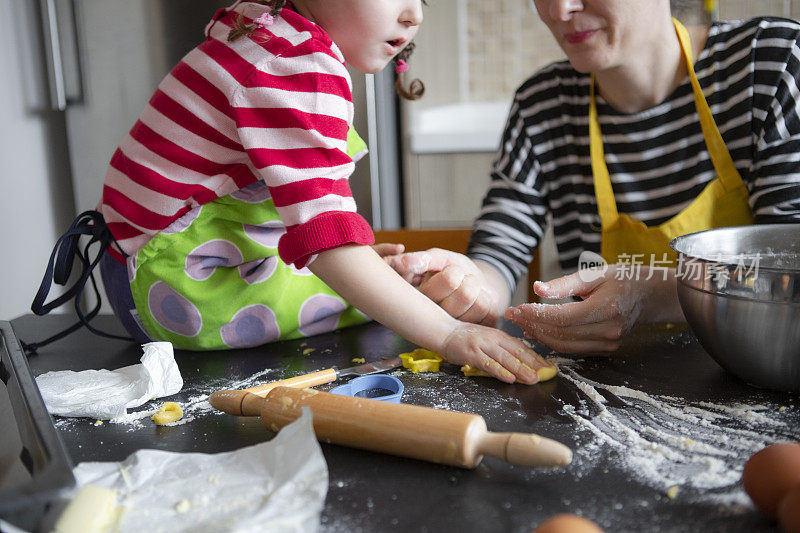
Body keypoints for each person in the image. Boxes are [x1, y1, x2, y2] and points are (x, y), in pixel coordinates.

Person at [29, 0, 554, 383]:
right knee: (368, 296)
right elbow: (323, 241)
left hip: (138, 269)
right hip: (178, 289)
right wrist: (448, 335)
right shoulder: (296, 67)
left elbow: (284, 210)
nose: (414, 13)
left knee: (367, 280)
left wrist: (360, 262)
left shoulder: (264, 32)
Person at [386, 0, 800, 355]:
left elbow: (788, 274)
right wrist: (471, 285)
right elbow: (499, 254)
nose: (559, 9)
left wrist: (649, 295)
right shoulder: (543, 104)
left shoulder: (772, 63)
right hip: (612, 397)